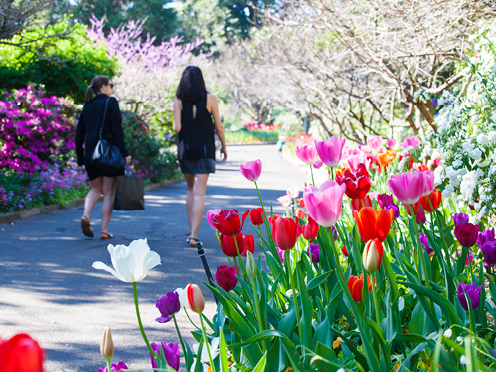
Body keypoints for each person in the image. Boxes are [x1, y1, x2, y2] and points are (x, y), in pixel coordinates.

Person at [173, 66, 227, 247]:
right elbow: (218, 126)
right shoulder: (210, 98)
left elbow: (177, 128)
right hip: (205, 150)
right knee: (199, 193)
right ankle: (194, 236)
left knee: (190, 190)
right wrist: (224, 146)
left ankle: (191, 231)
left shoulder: (179, 100)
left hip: (186, 150)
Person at [75, 75, 131, 239]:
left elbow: (79, 135)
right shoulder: (111, 102)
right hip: (108, 154)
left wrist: (80, 159)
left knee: (95, 188)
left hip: (90, 155)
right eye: (111, 85)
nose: (112, 89)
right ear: (104, 87)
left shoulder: (88, 106)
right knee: (108, 192)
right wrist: (125, 153)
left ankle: (86, 215)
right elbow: (117, 130)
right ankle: (104, 230)